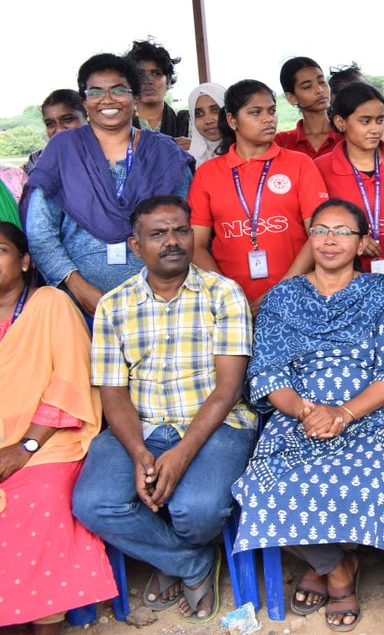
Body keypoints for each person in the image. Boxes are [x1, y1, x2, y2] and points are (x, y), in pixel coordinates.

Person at [74, 195, 256, 624]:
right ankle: (191, 563)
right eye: (157, 234)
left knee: (196, 511)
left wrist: (179, 455)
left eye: (180, 231)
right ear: (136, 247)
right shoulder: (113, 305)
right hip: (140, 422)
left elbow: (228, 389)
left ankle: (172, 555)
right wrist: (140, 453)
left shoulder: (223, 292)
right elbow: (113, 392)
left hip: (217, 423)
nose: (172, 242)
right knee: (93, 503)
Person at [233, 199, 384, 632]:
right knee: (261, 487)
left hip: (369, 410)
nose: (330, 240)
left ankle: (324, 564)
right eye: (321, 230)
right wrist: (305, 411)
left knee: (364, 480)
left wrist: (345, 413)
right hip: (299, 411)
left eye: (343, 231)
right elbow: (268, 369)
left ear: (361, 241)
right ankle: (338, 568)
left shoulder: (383, 292)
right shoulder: (282, 296)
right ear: (309, 237)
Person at [0, 223, 115, 635]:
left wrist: (25, 445)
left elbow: (70, 379)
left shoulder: (50, 304)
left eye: (0, 250)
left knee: (40, 497)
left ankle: (46, 620)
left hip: (49, 439)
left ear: (25, 260)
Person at [24, 53, 193, 316]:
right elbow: (40, 232)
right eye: (96, 92)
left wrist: (162, 288)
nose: (107, 99)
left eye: (118, 90)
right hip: (78, 305)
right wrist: (78, 288)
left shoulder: (164, 152)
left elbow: (185, 226)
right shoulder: (63, 149)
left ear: (135, 97)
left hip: (160, 300)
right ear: (84, 101)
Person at [188, 79, 328, 310]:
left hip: (298, 296)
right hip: (231, 304)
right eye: (256, 112)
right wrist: (230, 294)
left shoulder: (300, 164)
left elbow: (318, 234)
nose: (268, 119)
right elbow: (196, 245)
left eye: (271, 111)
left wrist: (281, 291)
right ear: (232, 120)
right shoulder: (207, 173)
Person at [315, 82, 384, 302]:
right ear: (340, 122)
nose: (375, 129)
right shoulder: (320, 168)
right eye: (365, 121)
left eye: (380, 120)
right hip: (348, 287)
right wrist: (351, 241)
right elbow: (317, 232)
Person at [275, 57, 343, 159]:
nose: (319, 90)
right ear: (292, 98)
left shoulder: (347, 135)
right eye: (307, 86)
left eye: (321, 82)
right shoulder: (281, 143)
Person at [126, 39, 190, 143]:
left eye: (156, 73)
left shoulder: (187, 124)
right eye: (140, 74)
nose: (148, 81)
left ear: (168, 81)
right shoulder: (117, 127)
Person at [20, 89, 87, 179]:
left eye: (67, 119)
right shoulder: (36, 160)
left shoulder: (106, 155)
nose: (58, 130)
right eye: (50, 124)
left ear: (88, 118)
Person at [186, 82, 226, 167]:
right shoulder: (187, 162)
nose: (208, 120)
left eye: (215, 110)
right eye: (199, 114)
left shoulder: (248, 154)